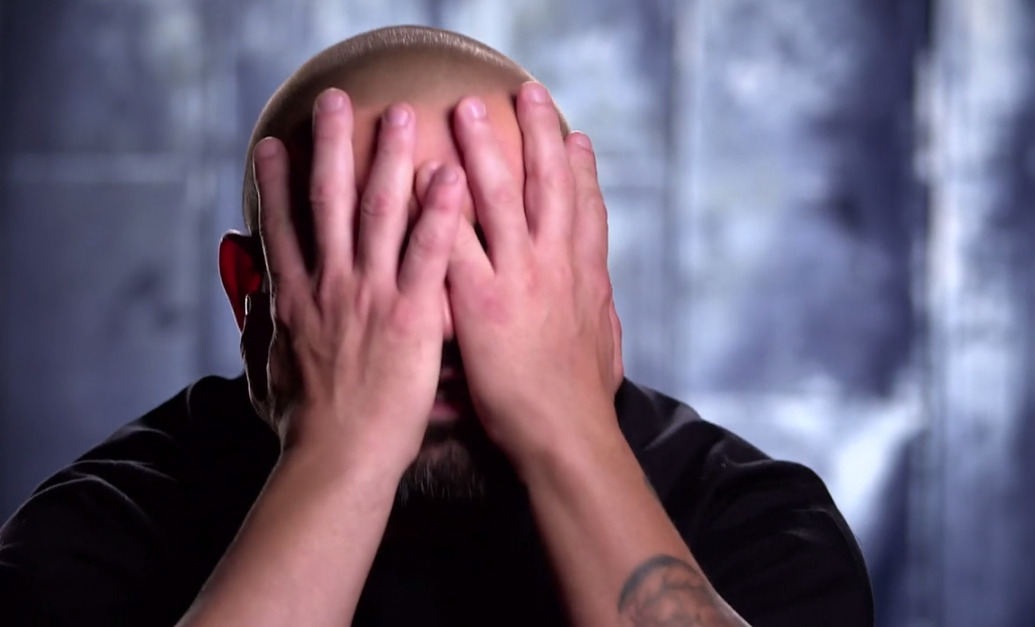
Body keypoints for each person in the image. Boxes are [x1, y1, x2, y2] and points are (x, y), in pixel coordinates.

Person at [0, 25, 873, 627]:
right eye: (369, 254)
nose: (436, 320)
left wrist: (568, 436)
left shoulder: (746, 520)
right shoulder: (106, 528)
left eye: (492, 247)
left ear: (578, 270)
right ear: (250, 295)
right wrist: (344, 453)